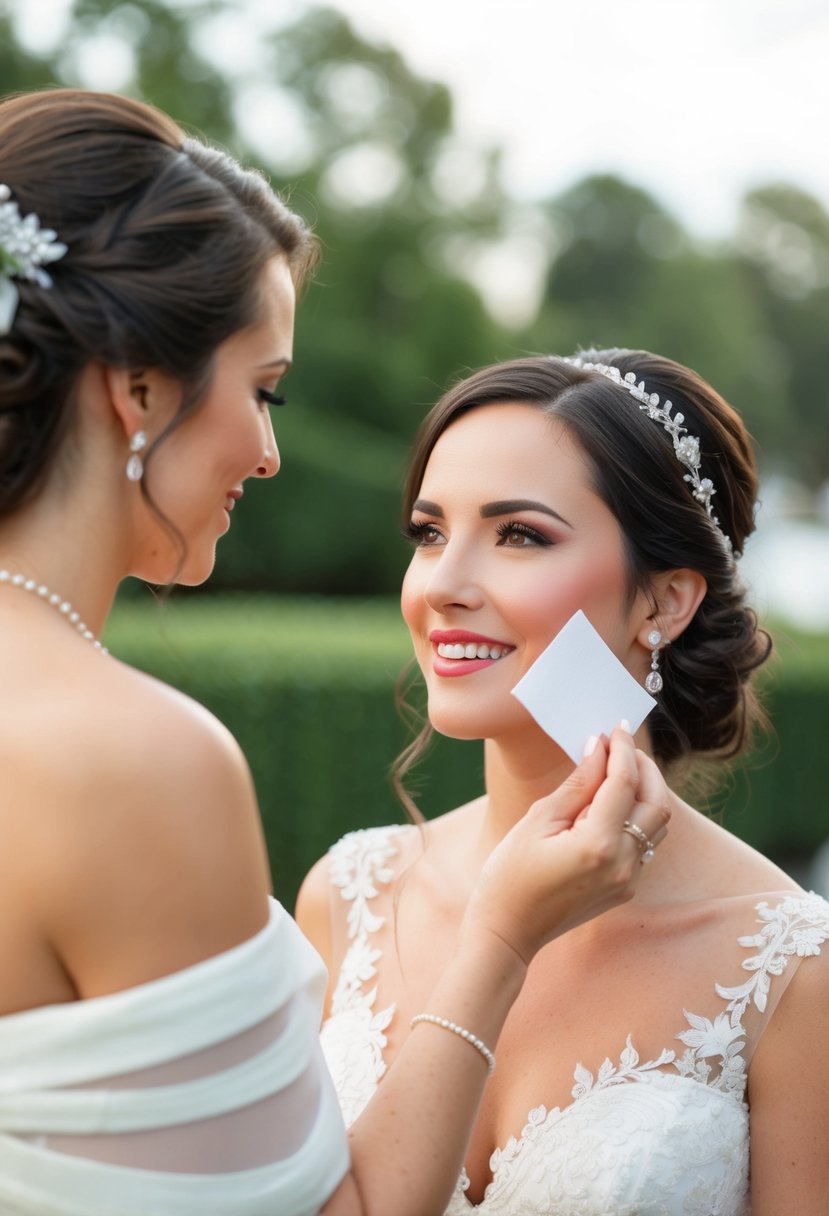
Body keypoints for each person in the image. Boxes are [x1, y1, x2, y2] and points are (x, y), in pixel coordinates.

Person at [0, 90, 671, 1216]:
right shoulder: (133, 760)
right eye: (262, 391)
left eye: (517, 533)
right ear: (141, 388)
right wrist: (500, 937)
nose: (268, 454)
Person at [298, 350, 829, 1215]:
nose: (443, 585)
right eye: (429, 534)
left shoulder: (792, 970)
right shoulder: (349, 895)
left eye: (519, 535)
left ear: (664, 602)